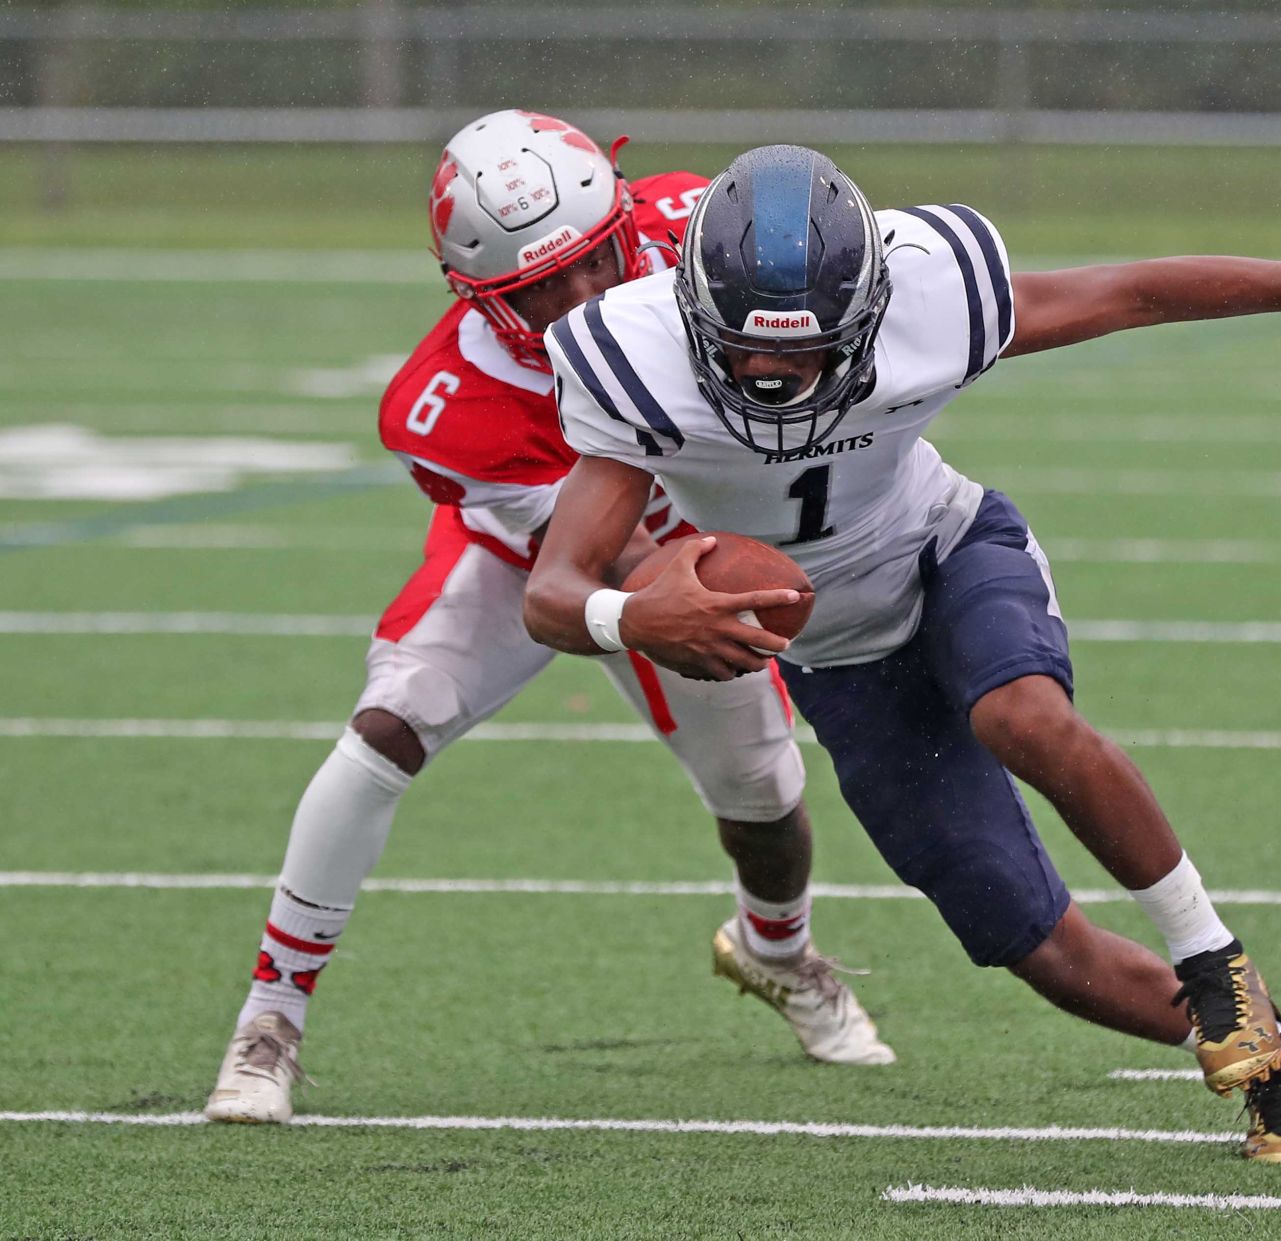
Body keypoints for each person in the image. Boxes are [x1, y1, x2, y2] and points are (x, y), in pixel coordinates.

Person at [522, 144, 1281, 1163]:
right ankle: (1274, 1045)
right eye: (745, 350)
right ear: (686, 309)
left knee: (1018, 712)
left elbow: (1135, 295)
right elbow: (553, 586)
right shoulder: (631, 360)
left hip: (946, 548)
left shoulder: (932, 297)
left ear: (869, 311)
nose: (771, 378)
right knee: (1044, 951)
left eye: (806, 354)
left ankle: (1213, 959)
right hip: (839, 657)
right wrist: (629, 620)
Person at [204, 119, 895, 1127]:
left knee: (762, 791)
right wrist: (687, 595)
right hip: (538, 557)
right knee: (391, 721)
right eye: (538, 289)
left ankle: (778, 951)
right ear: (475, 294)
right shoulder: (450, 404)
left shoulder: (695, 226)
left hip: (685, 534)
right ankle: (269, 1019)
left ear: (626, 223)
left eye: (591, 265)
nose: (581, 302)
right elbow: (596, 563)